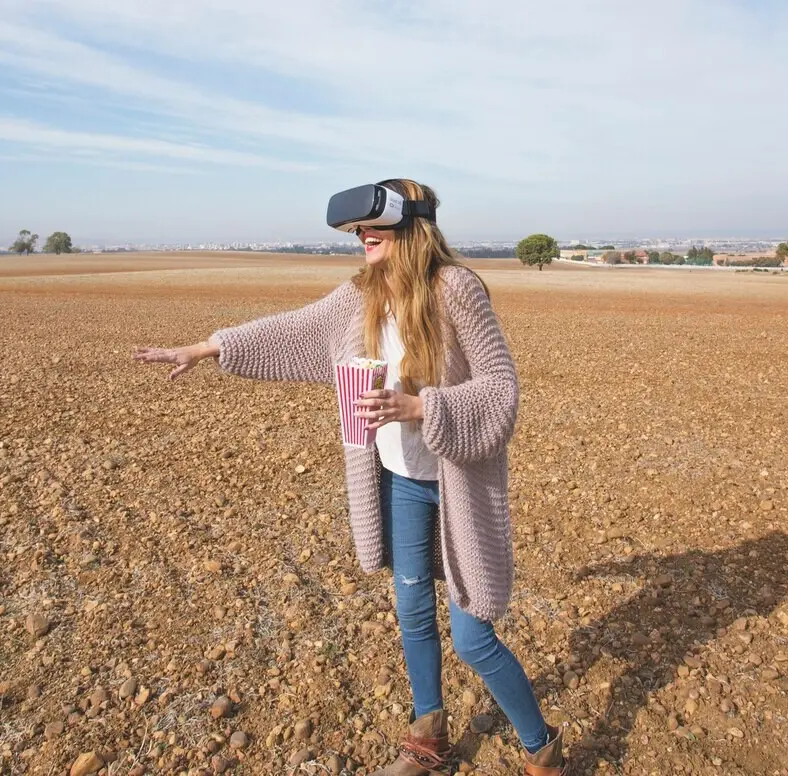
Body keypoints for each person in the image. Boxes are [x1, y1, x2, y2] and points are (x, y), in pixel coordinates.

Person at [132, 179, 566, 776]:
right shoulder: (360, 295)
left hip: (458, 483)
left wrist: (422, 407)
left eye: (373, 227)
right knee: (412, 608)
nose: (362, 237)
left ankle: (543, 747)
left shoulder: (456, 290)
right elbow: (292, 330)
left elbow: (501, 388)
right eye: (357, 231)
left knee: (472, 638)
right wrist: (207, 348)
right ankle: (430, 735)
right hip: (398, 480)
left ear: (412, 227)